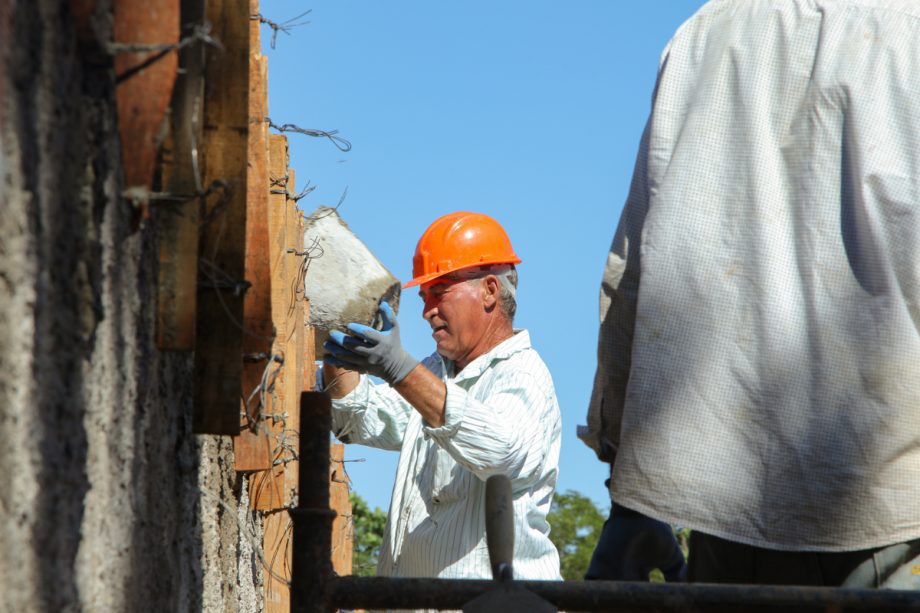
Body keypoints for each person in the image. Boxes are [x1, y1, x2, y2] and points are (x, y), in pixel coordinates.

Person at [580, 0, 920, 587]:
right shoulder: (906, 28)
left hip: (723, 504)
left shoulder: (701, 36)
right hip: (886, 499)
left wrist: (627, 474)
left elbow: (631, 273)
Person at [322, 211, 562, 580]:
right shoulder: (436, 372)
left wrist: (398, 369)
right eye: (423, 296)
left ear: (489, 291)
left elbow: (499, 453)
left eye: (439, 291)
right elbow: (358, 418)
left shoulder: (523, 373)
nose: (426, 311)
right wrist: (339, 339)